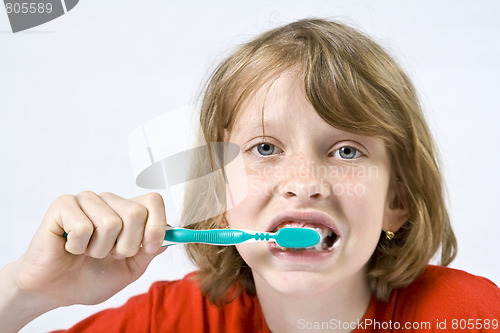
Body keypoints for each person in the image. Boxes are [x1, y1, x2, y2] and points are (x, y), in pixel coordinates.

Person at [1, 18, 499, 333]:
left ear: (399, 198)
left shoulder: (467, 315)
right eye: (265, 147)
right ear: (217, 193)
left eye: (346, 150)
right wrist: (28, 292)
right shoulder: (173, 321)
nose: (304, 182)